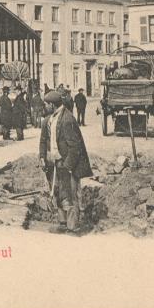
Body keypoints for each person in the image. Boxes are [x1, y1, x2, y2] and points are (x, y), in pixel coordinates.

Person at [39, 90, 93, 235]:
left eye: (46, 104)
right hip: (53, 164)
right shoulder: (48, 120)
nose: (44, 107)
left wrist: (68, 166)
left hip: (67, 164)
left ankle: (73, 227)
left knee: (70, 194)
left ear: (52, 104)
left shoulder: (67, 119)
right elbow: (43, 141)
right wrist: (43, 158)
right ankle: (63, 223)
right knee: (57, 192)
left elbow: (75, 147)